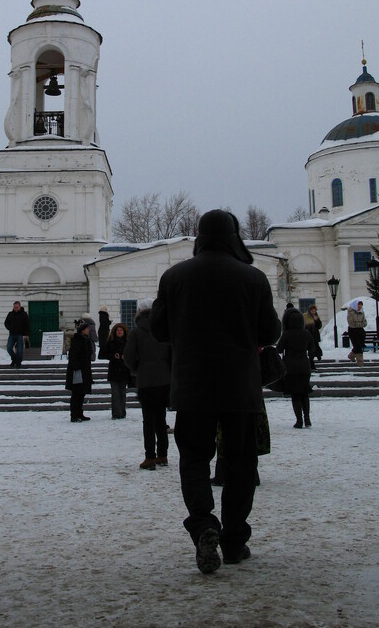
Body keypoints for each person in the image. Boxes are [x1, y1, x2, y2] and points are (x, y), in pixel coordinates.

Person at [150, 209, 281, 574]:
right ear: (234, 235)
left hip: (192, 385)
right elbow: (269, 333)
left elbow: (159, 329)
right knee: (240, 461)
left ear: (200, 235)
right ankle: (235, 541)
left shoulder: (175, 277)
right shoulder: (253, 278)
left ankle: (204, 525)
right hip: (240, 386)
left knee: (194, 458)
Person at [124, 299, 171, 469]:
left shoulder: (137, 332)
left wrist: (137, 368)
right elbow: (172, 354)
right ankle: (163, 455)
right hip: (164, 380)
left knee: (148, 420)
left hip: (146, 381)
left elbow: (128, 356)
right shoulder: (165, 330)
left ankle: (150, 457)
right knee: (161, 418)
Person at [277, 308, 315, 428]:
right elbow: (312, 348)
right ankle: (307, 419)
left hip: (290, 367)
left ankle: (299, 421)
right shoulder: (306, 334)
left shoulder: (287, 334)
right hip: (304, 366)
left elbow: (279, 349)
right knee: (304, 393)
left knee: (295, 394)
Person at [65, 318, 93, 422]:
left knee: (81, 393)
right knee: (77, 394)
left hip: (84, 370)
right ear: (82, 330)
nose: (88, 330)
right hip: (78, 371)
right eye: (86, 328)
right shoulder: (78, 340)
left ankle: (79, 413)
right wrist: (77, 369)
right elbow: (74, 356)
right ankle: (74, 414)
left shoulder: (85, 340)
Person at [104, 322, 130, 419]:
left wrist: (125, 357)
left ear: (124, 332)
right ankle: (116, 413)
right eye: (117, 330)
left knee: (122, 393)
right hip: (114, 370)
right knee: (115, 393)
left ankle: (122, 412)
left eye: (121, 330)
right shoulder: (110, 342)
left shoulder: (128, 342)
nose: (119, 332)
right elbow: (104, 354)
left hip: (124, 370)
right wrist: (113, 356)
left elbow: (133, 354)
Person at [4, 301, 30, 368]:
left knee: (19, 350)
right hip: (12, 334)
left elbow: (27, 325)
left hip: (20, 335)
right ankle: (14, 359)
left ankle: (18, 362)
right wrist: (10, 328)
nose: (15, 308)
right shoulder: (10, 314)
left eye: (17, 307)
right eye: (14, 307)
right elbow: (6, 323)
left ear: (20, 307)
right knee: (9, 348)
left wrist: (26, 334)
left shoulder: (24, 314)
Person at [303, 304, 323, 370]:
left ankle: (317, 357)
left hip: (315, 336)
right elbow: (304, 327)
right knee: (311, 352)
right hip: (309, 337)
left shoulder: (316, 316)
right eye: (312, 311)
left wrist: (316, 320)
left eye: (315, 311)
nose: (314, 312)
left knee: (316, 349)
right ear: (310, 311)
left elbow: (319, 326)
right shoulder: (305, 316)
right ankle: (312, 365)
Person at [346, 299, 367, 365]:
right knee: (357, 346)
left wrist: (360, 324)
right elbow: (351, 323)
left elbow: (364, 322)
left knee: (360, 345)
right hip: (353, 331)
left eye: (360, 307)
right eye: (358, 306)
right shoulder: (351, 313)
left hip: (360, 331)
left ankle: (351, 356)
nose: (359, 308)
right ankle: (360, 362)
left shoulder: (362, 312)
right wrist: (359, 324)